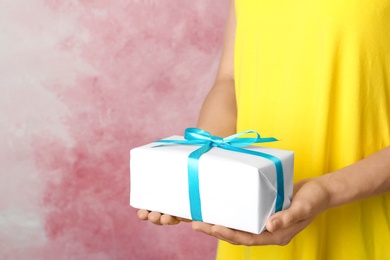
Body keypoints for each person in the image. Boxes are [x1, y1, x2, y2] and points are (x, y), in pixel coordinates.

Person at [138, 0, 390, 259]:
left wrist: (327, 191)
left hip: (364, 230)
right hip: (252, 220)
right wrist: (205, 167)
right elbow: (230, 80)